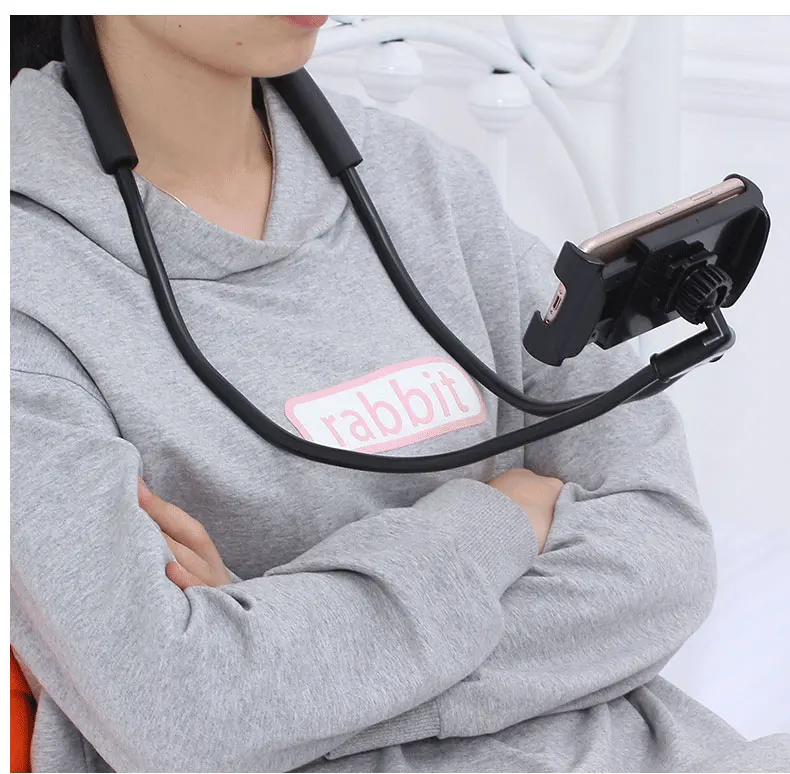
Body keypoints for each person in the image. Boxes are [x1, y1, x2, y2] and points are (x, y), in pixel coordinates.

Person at [9, 15, 790, 774]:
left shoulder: (422, 182)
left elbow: (666, 554)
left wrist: (285, 672)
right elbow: (186, 714)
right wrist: (499, 521)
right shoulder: (30, 280)